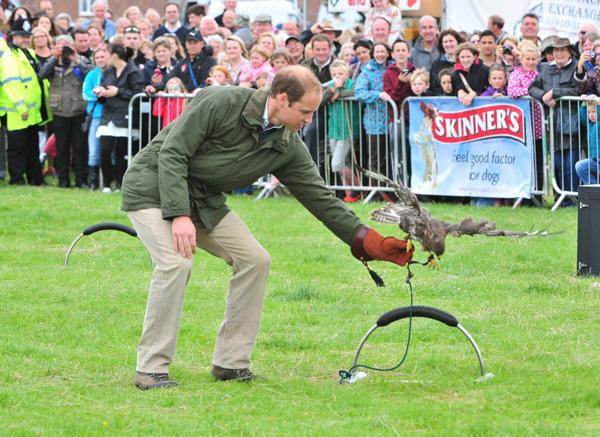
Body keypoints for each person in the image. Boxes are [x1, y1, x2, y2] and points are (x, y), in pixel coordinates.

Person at [120, 65, 414, 390]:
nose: (309, 120)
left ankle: (231, 364)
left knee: (255, 260)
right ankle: (151, 369)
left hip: (202, 201)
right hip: (151, 186)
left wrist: (368, 240)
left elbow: (321, 199)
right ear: (282, 99)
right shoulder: (220, 101)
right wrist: (178, 215)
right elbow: (173, 153)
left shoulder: (287, 146)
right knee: (175, 264)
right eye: (305, 111)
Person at [528, 37, 579, 201]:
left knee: (571, 165)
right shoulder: (546, 69)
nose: (559, 53)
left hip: (573, 124)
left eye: (562, 49)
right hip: (552, 124)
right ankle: (559, 199)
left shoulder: (577, 67)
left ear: (569, 51)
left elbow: (578, 90)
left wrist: (556, 93)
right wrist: (543, 96)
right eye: (556, 50)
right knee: (557, 165)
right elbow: (532, 88)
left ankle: (572, 200)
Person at [39, 34, 92, 188]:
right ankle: (63, 180)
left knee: (80, 147)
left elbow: (92, 74)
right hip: (59, 110)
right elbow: (41, 74)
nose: (64, 50)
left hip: (78, 110)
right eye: (60, 46)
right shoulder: (53, 62)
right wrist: (54, 57)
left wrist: (77, 60)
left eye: (66, 46)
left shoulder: (81, 60)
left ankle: (81, 179)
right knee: (61, 147)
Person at [3, 17, 50, 186]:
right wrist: (21, 107)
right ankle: (17, 179)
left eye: (26, 35)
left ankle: (35, 179)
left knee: (32, 147)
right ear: (13, 36)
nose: (25, 39)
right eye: (21, 36)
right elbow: (11, 84)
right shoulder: (9, 57)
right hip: (17, 111)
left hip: (32, 111)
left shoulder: (28, 53)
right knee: (17, 148)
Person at [95, 43, 144, 193]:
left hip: (125, 116)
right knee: (105, 149)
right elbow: (104, 94)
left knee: (121, 152)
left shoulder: (133, 71)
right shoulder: (108, 72)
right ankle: (107, 184)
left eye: (107, 54)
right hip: (108, 115)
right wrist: (101, 93)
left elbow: (138, 93)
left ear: (114, 55)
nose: (104, 59)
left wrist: (118, 91)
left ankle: (120, 183)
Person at [323, 59, 361, 202]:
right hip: (333, 129)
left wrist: (339, 92)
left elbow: (353, 93)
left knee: (337, 164)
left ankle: (358, 188)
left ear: (348, 73)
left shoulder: (353, 84)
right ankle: (349, 194)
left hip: (348, 129)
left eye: (341, 73)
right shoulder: (330, 86)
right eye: (334, 74)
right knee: (342, 164)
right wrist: (333, 90)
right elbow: (322, 99)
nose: (338, 76)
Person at [355, 42, 393, 177]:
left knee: (393, 159)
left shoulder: (394, 67)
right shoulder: (367, 70)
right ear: (373, 54)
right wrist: (378, 95)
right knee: (376, 160)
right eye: (377, 52)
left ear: (388, 53)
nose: (380, 54)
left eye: (383, 51)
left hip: (394, 120)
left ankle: (394, 192)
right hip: (375, 122)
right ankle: (376, 192)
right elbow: (359, 92)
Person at [82, 47, 109, 190]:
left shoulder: (113, 73)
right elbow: (85, 94)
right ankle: (93, 183)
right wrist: (98, 94)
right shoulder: (92, 75)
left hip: (111, 116)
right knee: (93, 151)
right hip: (96, 116)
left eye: (103, 56)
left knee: (109, 151)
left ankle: (109, 182)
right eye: (97, 57)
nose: (100, 59)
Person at [430, 29, 464, 95]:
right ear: (442, 44)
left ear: (458, 42)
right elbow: (433, 87)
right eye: (445, 42)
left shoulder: (465, 62)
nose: (448, 44)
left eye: (451, 41)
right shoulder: (436, 65)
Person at [575, 97, 600, 184]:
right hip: (594, 160)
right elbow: (582, 115)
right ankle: (595, 189)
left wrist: (598, 103)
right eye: (589, 112)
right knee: (579, 166)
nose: (591, 115)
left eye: (594, 112)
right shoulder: (590, 124)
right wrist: (584, 102)